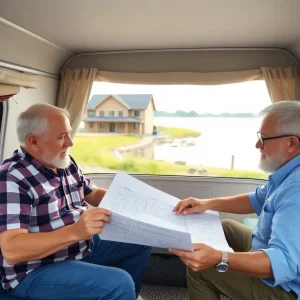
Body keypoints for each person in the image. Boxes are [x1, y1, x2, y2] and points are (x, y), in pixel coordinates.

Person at [0, 103, 152, 300]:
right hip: (35, 269)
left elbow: (93, 192)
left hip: (78, 247)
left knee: (141, 238)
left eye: (69, 134)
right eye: (62, 137)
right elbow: (12, 249)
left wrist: (135, 202)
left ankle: (126, 296)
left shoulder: (63, 161)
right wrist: (76, 231)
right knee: (120, 282)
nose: (70, 143)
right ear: (33, 141)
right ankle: (120, 292)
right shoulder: (12, 178)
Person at [170, 100, 300, 300]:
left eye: (264, 139)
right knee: (227, 227)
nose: (258, 145)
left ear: (291, 143)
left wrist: (220, 258)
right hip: (266, 248)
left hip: (288, 288)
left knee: (202, 270)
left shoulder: (296, 189)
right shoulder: (288, 173)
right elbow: (256, 199)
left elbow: (283, 263)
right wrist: (206, 203)